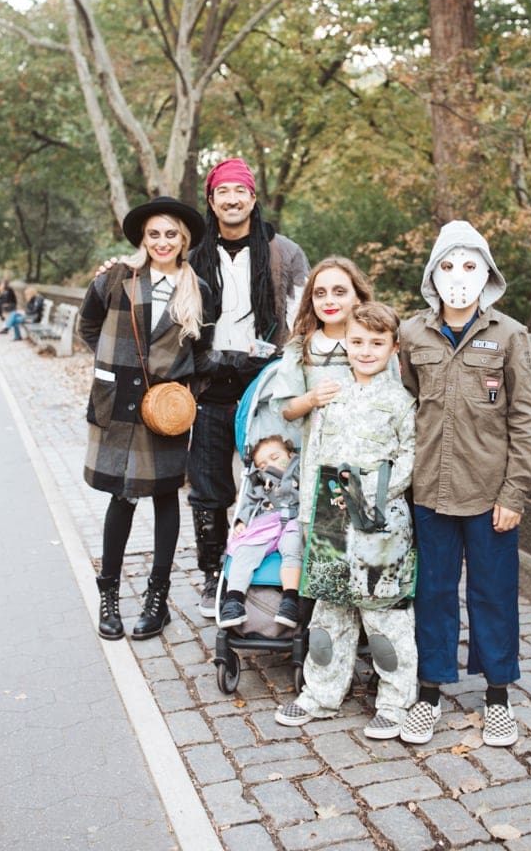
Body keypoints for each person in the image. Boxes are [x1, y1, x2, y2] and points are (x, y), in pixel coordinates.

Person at [398, 220, 531, 749]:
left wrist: (515, 493)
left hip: (490, 495)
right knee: (432, 592)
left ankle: (499, 695)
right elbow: (407, 404)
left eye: (469, 266)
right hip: (430, 492)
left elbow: (527, 417)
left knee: (494, 593)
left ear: (486, 273)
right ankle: (430, 690)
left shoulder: (509, 335)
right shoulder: (412, 334)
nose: (458, 277)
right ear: (432, 274)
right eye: (448, 266)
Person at [275, 301, 417, 740]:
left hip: (379, 522)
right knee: (330, 610)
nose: (366, 351)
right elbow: (314, 453)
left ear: (394, 348)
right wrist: (307, 516)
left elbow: (411, 455)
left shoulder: (400, 402)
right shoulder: (331, 396)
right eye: (357, 342)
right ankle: (321, 694)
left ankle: (395, 701)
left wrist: (371, 494)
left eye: (377, 343)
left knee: (384, 615)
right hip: (330, 520)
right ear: (346, 344)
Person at [78, 196, 214, 642]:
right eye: (154, 234)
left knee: (164, 497)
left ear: (184, 240)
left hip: (165, 413)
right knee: (120, 497)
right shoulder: (117, 278)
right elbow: (89, 327)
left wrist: (182, 394)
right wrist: (112, 369)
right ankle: (110, 596)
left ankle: (158, 600)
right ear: (143, 238)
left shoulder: (198, 291)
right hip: (118, 406)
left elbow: (203, 354)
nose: (162, 241)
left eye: (171, 234)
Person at [187, 157, 309, 616]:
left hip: (266, 386)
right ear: (212, 201)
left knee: (274, 478)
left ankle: (277, 570)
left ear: (253, 198)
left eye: (241, 191)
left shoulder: (285, 253)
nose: (232, 199)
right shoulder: (195, 254)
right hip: (211, 382)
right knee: (208, 487)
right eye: (223, 192)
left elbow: (301, 319)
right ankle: (212, 573)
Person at [269, 256, 375, 528]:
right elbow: (284, 409)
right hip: (324, 466)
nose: (329, 300)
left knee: (370, 548)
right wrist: (311, 399)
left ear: (358, 298)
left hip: (371, 465)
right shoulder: (302, 347)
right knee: (329, 552)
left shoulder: (375, 343)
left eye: (340, 292)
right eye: (320, 293)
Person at [219, 435, 302, 629]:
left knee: (293, 546)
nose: (269, 466)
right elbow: (248, 503)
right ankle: (234, 600)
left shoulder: (299, 470)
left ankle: (290, 601)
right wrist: (242, 520)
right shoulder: (258, 480)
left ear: (290, 455)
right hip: (267, 521)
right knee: (244, 550)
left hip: (295, 519)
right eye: (263, 464)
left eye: (275, 457)